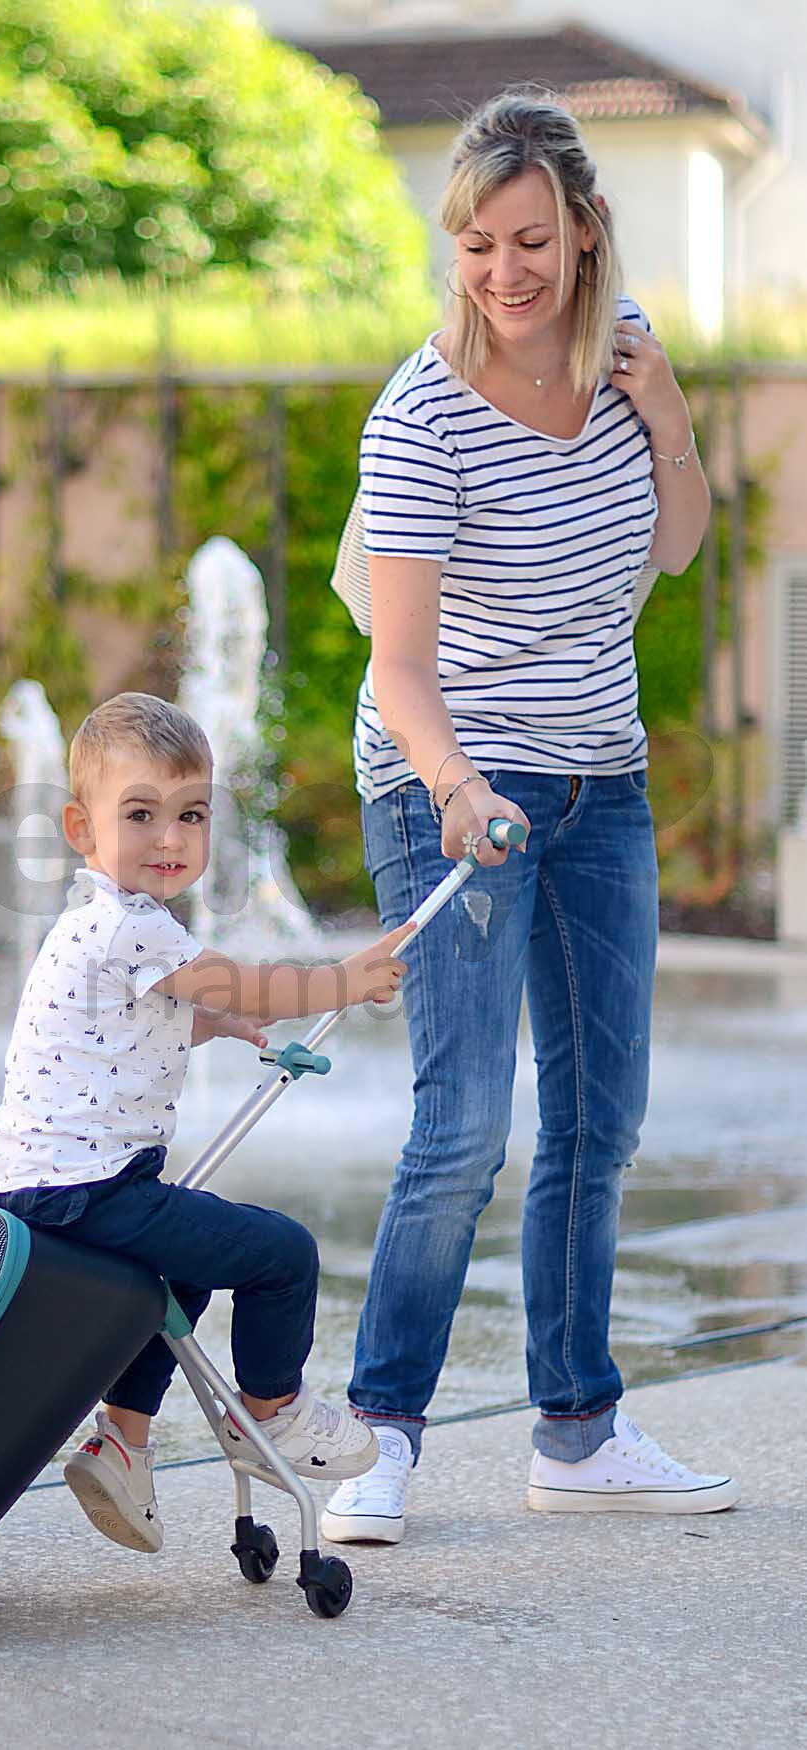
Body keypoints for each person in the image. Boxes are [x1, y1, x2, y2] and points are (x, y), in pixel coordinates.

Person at [321, 91, 739, 1546]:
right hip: (445, 786)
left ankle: (577, 1428)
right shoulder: (422, 412)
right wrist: (456, 787)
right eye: (478, 244)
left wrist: (669, 420)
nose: (504, 271)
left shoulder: (626, 361)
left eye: (531, 240)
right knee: (461, 1128)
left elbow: (675, 547)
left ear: (584, 231)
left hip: (597, 785)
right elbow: (399, 666)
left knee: (599, 1118)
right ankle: (378, 1435)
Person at [0, 690, 413, 1553]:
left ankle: (122, 1444)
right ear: (82, 829)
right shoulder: (130, 926)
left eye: (191, 815)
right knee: (281, 1254)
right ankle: (272, 1415)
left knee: (176, 1282)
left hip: (45, 1188)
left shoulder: (89, 925)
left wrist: (208, 1022)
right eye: (140, 814)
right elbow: (246, 982)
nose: (170, 839)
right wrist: (344, 980)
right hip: (91, 1190)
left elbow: (133, 1023)